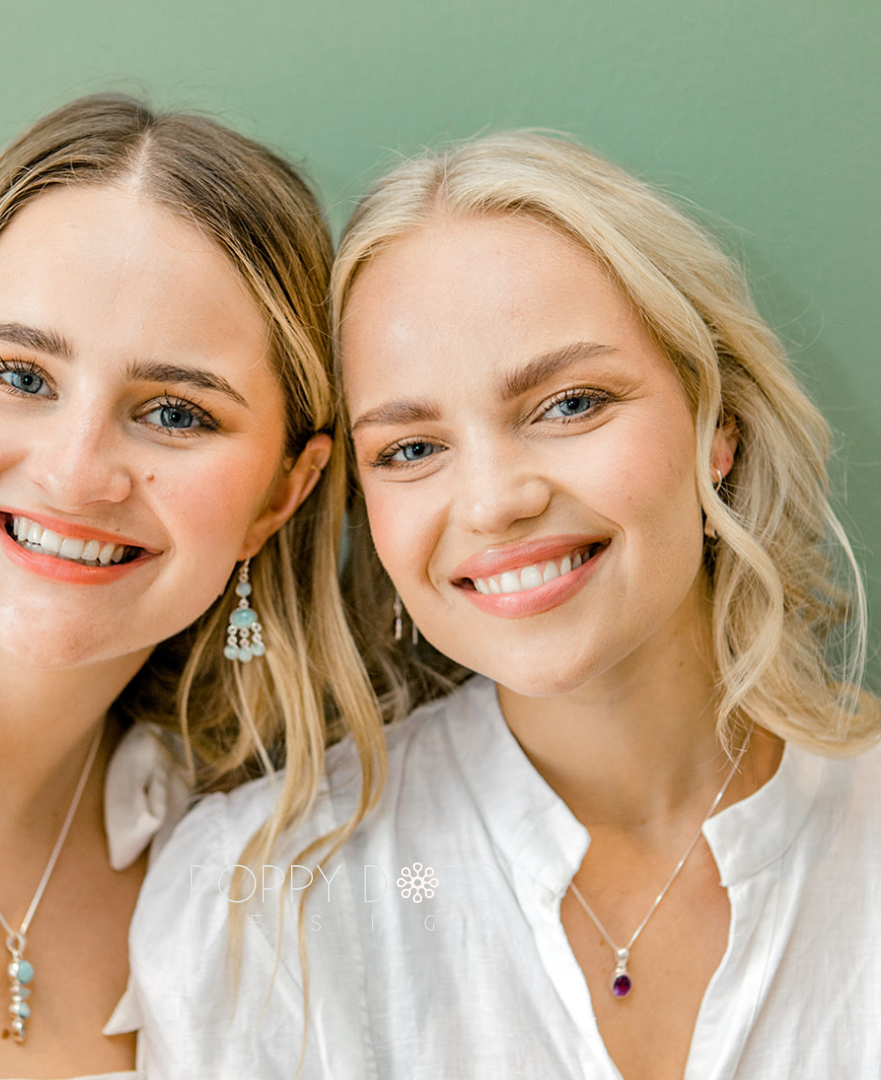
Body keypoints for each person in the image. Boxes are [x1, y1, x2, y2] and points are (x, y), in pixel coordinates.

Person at [130, 131, 881, 1078]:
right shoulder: (259, 906)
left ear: (716, 424)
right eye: (410, 449)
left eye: (569, 403)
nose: (494, 501)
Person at [0, 93, 384, 1078]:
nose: (75, 475)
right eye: (22, 377)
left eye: (175, 413)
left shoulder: (244, 870)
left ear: (284, 492)